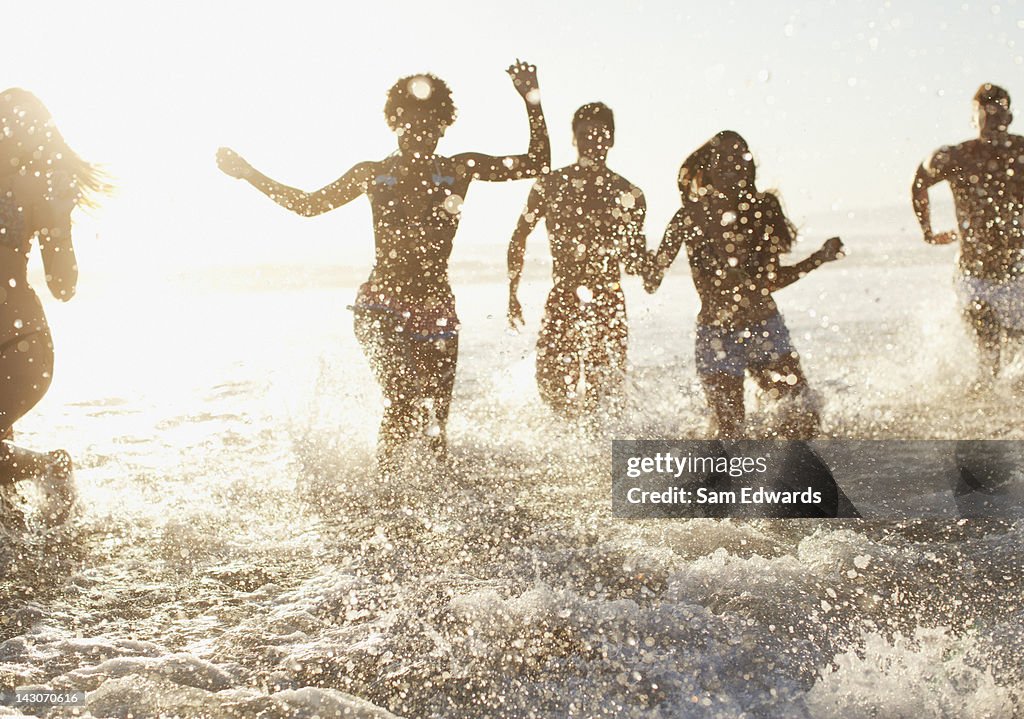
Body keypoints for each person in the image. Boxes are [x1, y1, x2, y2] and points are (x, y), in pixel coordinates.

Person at [218, 61, 550, 473]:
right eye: (411, 123)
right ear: (395, 123)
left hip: (436, 308)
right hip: (382, 305)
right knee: (406, 400)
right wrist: (249, 174)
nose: (421, 132)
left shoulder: (458, 169)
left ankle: (439, 504)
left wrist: (530, 98)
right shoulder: (373, 174)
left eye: (430, 124)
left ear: (444, 125)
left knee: (434, 425)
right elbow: (307, 205)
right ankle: (383, 490)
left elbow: (538, 162)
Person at [645, 131, 843, 438]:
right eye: (723, 157)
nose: (731, 164)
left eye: (739, 158)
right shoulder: (689, 216)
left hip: (764, 327)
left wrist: (818, 258)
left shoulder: (763, 209)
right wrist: (631, 249)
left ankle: (784, 481)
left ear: (749, 166)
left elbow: (771, 281)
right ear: (708, 166)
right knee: (730, 433)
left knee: (804, 420)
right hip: (716, 337)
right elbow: (652, 280)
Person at [0, 89, 106, 523]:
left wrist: (59, 221)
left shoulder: (36, 192)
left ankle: (52, 468)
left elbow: (63, 286)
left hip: (19, 348)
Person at [507, 102, 651, 416]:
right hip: (563, 296)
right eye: (585, 134)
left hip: (607, 301)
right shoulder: (551, 185)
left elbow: (633, 260)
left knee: (605, 391)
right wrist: (512, 291)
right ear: (573, 139)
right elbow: (519, 235)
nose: (593, 141)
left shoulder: (629, 194)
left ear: (611, 139)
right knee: (551, 384)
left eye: (600, 134)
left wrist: (651, 266)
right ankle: (570, 449)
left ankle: (600, 455)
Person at [912, 83, 1024, 387]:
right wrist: (928, 232)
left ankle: (1001, 423)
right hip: (973, 275)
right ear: (973, 119)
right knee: (988, 353)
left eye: (998, 114)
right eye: (985, 114)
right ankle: (979, 417)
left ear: (1010, 116)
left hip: (1016, 276)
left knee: (1017, 361)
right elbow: (920, 182)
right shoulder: (957, 156)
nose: (993, 121)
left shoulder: (1021, 152)